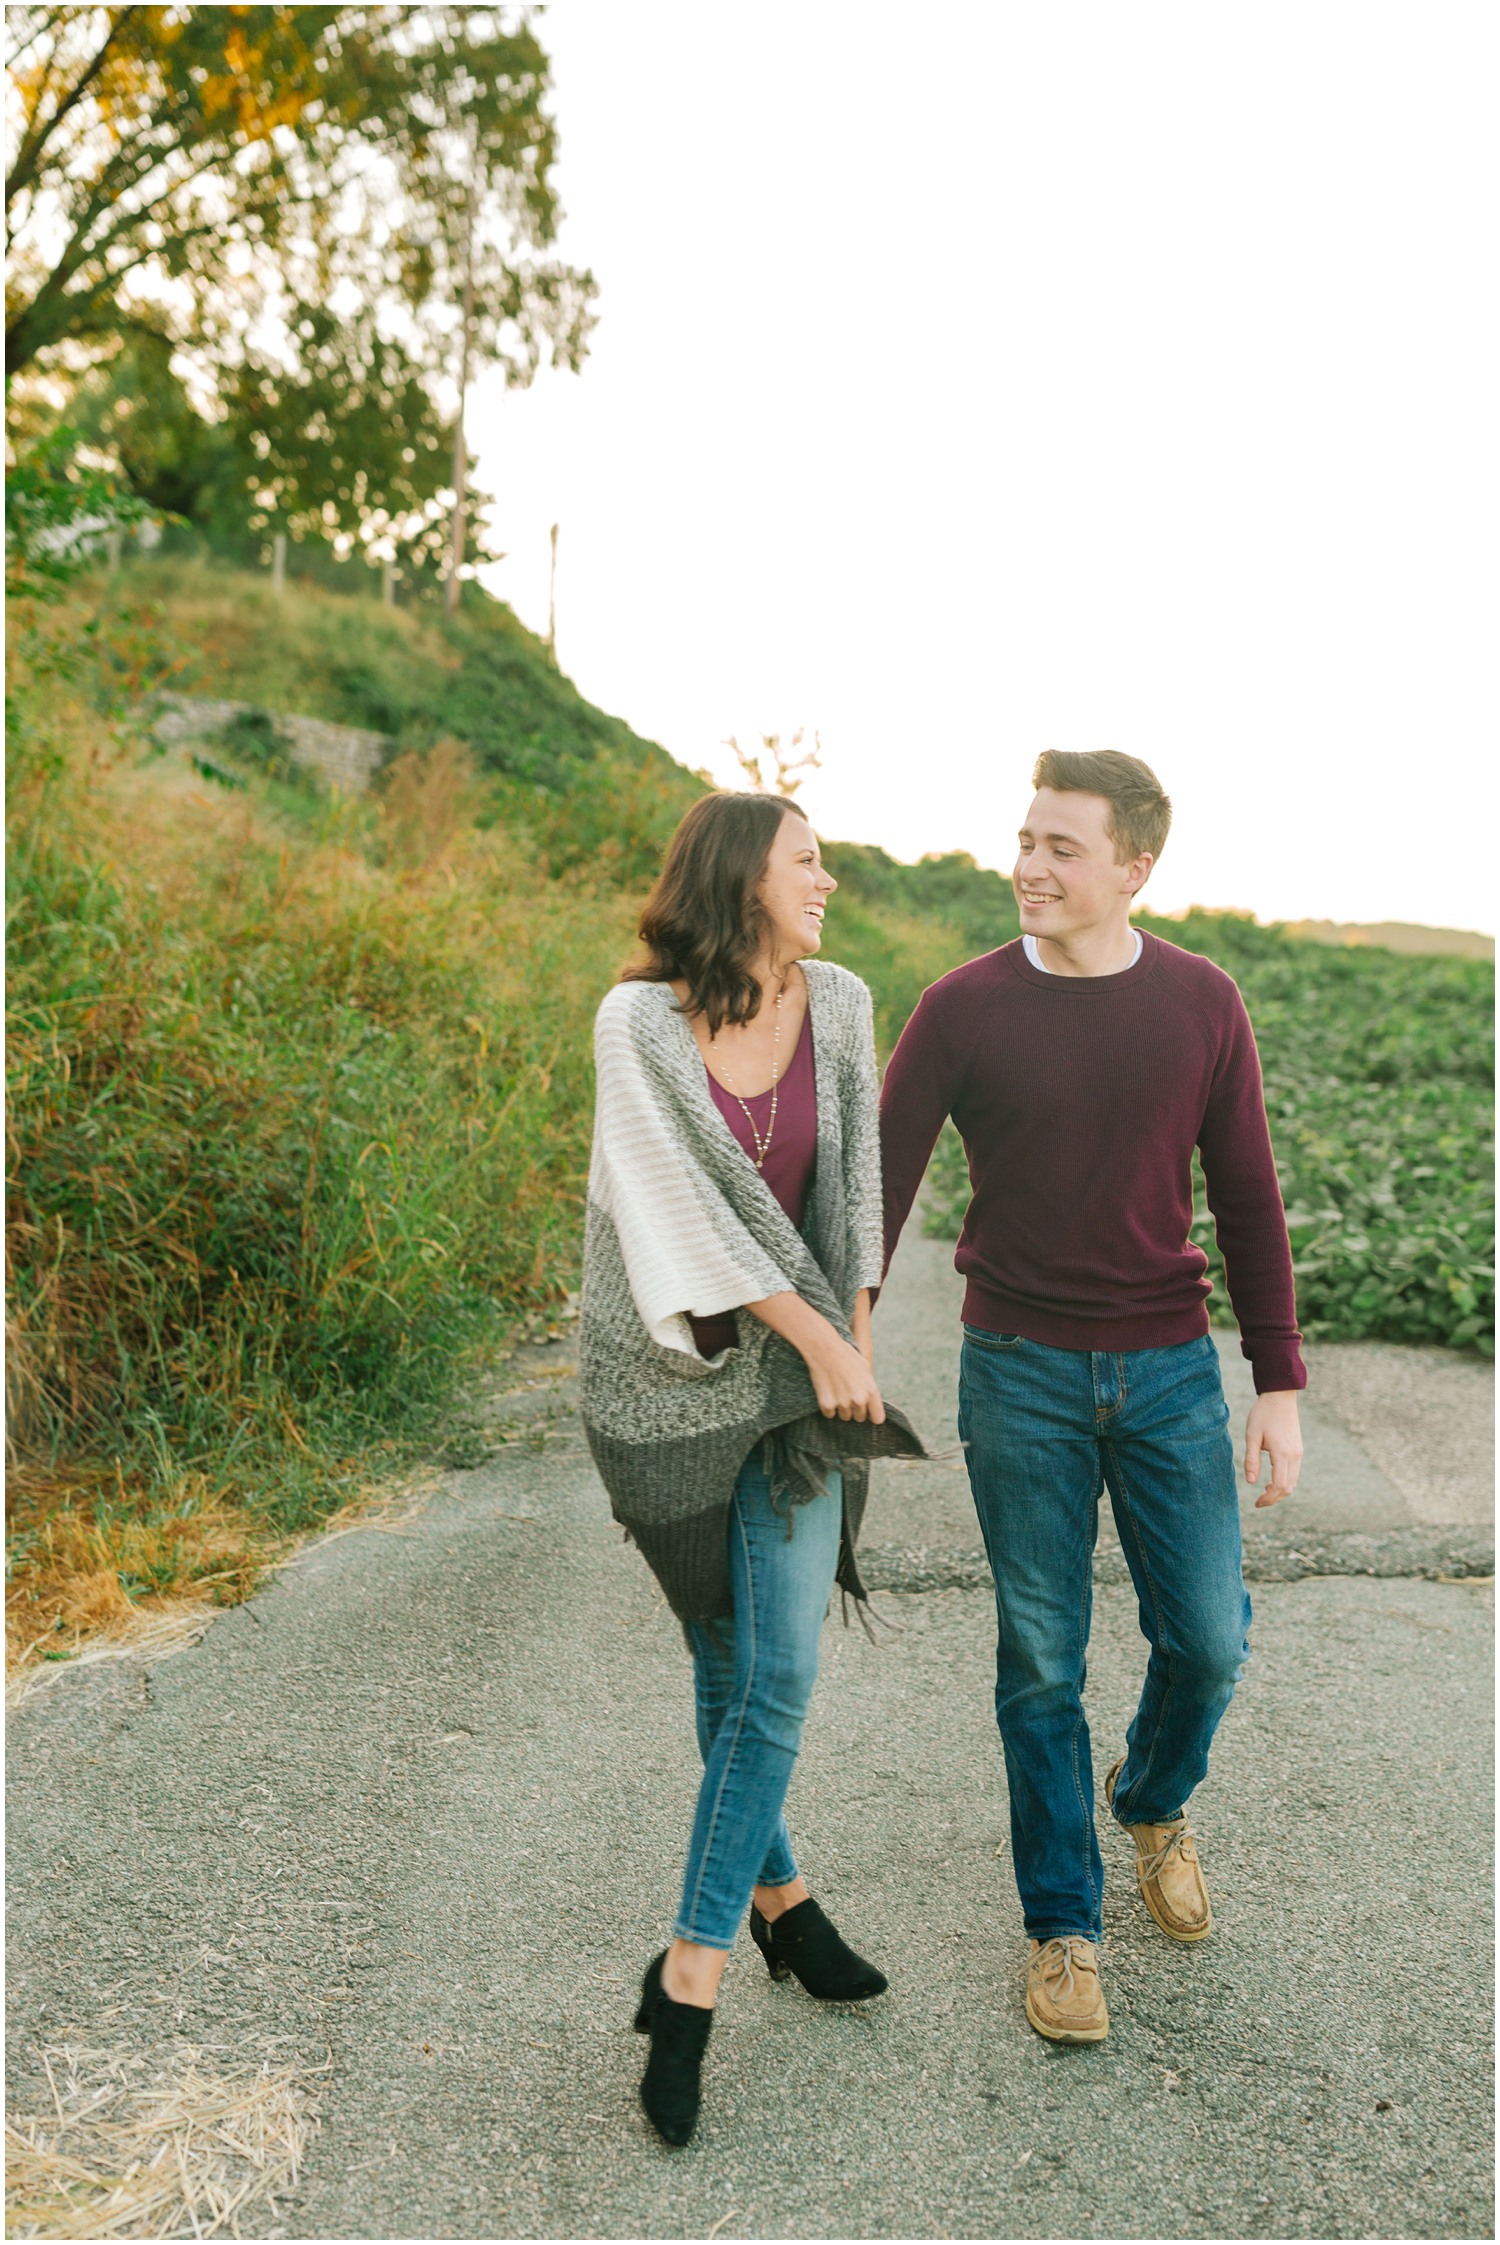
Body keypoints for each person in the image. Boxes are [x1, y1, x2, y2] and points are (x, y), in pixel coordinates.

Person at [879, 749, 1305, 2044]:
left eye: (1062, 846)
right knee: (1039, 1658)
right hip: (1018, 1372)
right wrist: (828, 1343)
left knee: (1211, 1637)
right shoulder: (961, 1008)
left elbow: (1247, 1197)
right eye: (1024, 839)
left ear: (1135, 865)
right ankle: (1063, 1925)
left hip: (1169, 1367)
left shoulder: (1200, 1003)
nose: (1030, 866)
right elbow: (876, 1196)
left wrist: (1276, 1381)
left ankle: (1154, 1795)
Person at [581, 790, 924, 2145]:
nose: (827, 877)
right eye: (806, 859)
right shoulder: (638, 1023)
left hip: (798, 1382)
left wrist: (857, 1339)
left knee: (777, 1668)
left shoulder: (837, 999)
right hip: (665, 1373)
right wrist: (807, 1330)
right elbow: (668, 1203)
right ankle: (780, 1905)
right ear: (740, 878)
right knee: (729, 1663)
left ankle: (690, 1977)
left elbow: (853, 1194)